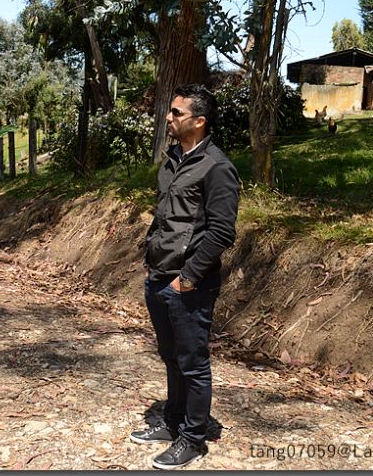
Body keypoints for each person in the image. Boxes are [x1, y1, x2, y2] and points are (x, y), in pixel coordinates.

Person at [130, 83, 239, 469]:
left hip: (190, 283)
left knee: (192, 362)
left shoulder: (217, 167)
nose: (169, 117)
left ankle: (193, 438)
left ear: (199, 121)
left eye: (177, 112)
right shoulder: (173, 160)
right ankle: (174, 422)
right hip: (160, 276)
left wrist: (188, 278)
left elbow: (222, 232)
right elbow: (165, 217)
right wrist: (150, 258)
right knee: (171, 357)